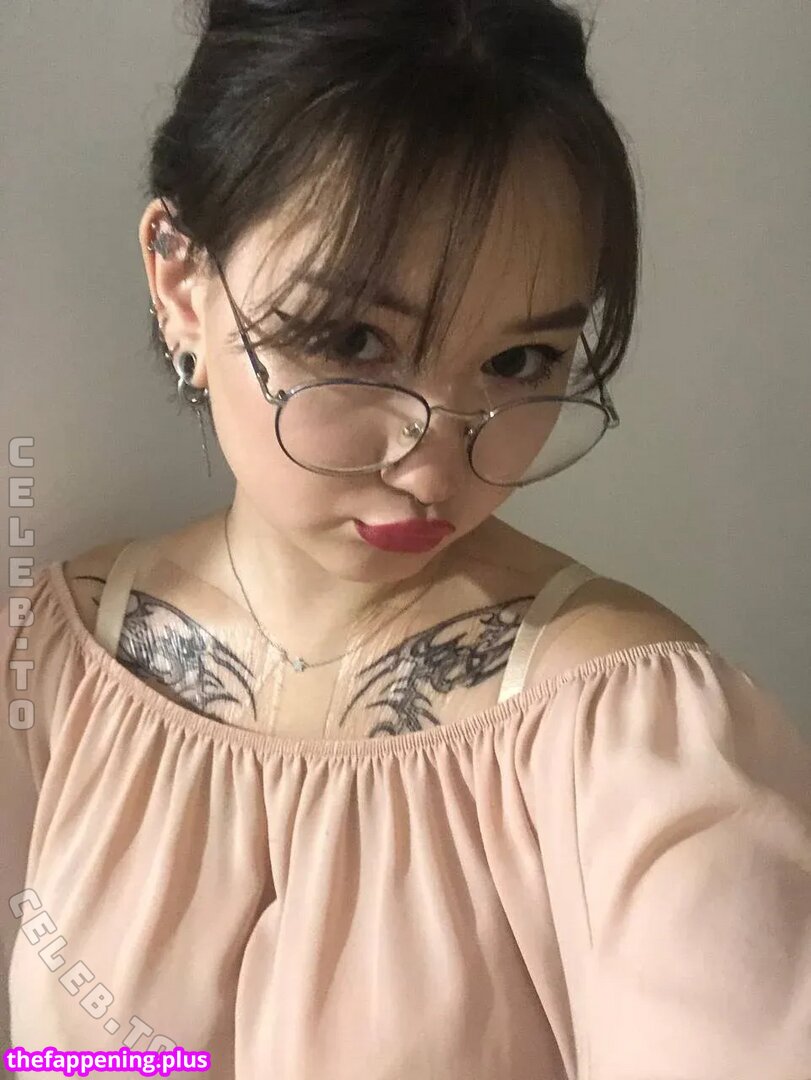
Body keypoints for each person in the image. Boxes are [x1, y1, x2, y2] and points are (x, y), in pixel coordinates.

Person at [2, 1, 809, 1076]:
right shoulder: (52, 668)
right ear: (181, 284)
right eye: (353, 340)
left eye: (518, 362)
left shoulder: (636, 744)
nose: (434, 468)